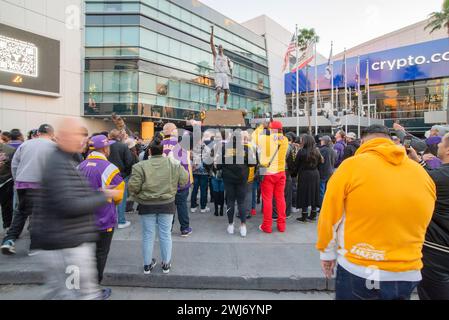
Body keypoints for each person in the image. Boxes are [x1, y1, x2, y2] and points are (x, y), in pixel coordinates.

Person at [317, 125, 436, 300]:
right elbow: (425, 216)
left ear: (363, 142)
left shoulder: (351, 167)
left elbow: (330, 215)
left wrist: (327, 253)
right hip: (407, 270)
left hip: (360, 266)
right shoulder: (421, 173)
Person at [32, 119, 118, 300]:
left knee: (65, 293)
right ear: (62, 137)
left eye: (83, 135)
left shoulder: (70, 161)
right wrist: (103, 196)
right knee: (76, 294)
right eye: (77, 135)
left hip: (66, 242)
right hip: (66, 246)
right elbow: (68, 205)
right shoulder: (59, 164)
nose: (82, 140)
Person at [128, 135, 189, 275]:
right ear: (163, 151)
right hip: (167, 204)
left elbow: (133, 187)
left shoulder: (139, 166)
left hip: (146, 205)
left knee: (148, 235)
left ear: (149, 151)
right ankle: (166, 264)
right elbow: (184, 180)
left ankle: (147, 265)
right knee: (165, 234)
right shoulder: (173, 163)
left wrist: (139, 197)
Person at [78, 135, 125, 289]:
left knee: (84, 254)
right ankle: (94, 288)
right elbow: (118, 196)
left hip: (82, 218)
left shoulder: (79, 166)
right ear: (105, 148)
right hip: (104, 218)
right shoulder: (110, 168)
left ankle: (82, 285)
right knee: (100, 253)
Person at [1, 124, 56, 255]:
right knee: (39, 215)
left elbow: (15, 164)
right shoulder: (53, 147)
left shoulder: (25, 145)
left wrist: (17, 180)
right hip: (42, 185)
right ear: (52, 134)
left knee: (21, 212)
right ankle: (35, 246)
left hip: (22, 183)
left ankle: (8, 240)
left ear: (38, 133)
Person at [408, 134, 449, 300]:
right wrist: (419, 162)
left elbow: (424, 180)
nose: (437, 145)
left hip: (437, 249)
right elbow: (432, 176)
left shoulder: (437, 178)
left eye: (441, 143)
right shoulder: (439, 176)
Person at [218, 131, 256, 237]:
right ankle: (243, 226)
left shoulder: (224, 148)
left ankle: (230, 225)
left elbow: (218, 165)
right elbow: (253, 163)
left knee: (230, 201)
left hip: (228, 178)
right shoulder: (246, 148)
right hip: (242, 178)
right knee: (241, 202)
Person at [254, 121, 289, 234]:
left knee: (267, 199)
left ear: (271, 128)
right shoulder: (285, 139)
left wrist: (261, 126)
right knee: (280, 198)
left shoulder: (265, 139)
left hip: (267, 172)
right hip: (281, 172)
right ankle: (281, 225)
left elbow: (253, 137)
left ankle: (267, 225)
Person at [162, 123, 194, 237]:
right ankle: (184, 229)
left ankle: (168, 228)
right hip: (181, 180)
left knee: (168, 206)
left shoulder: (161, 143)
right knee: (182, 205)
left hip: (166, 181)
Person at [108, 129, 136, 229]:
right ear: (119, 136)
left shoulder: (104, 145)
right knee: (121, 198)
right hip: (121, 175)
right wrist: (126, 174)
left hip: (105, 175)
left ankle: (110, 220)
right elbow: (129, 162)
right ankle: (120, 220)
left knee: (108, 198)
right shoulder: (123, 146)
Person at [295, 135, 322, 223]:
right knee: (314, 193)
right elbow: (320, 163)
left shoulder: (301, 152)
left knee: (304, 194)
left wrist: (294, 173)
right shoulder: (317, 151)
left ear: (305, 141)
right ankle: (313, 214)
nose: (301, 142)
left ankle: (304, 215)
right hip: (315, 173)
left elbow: (296, 164)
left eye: (302, 140)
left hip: (304, 174)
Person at [210, 25, 233, 110]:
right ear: (218, 48)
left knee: (226, 91)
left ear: (222, 48)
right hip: (218, 74)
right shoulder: (216, 55)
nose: (219, 48)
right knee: (219, 89)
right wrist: (212, 32)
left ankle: (225, 106)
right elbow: (211, 43)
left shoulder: (226, 57)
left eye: (221, 47)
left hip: (225, 75)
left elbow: (230, 66)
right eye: (218, 47)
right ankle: (217, 105)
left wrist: (231, 74)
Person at [191, 139, 210, 214]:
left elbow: (191, 158)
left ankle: (193, 206)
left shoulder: (193, 148)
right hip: (204, 172)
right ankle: (203, 207)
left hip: (195, 172)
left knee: (194, 189)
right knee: (203, 190)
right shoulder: (205, 148)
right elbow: (210, 153)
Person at [0, 141, 15, 231]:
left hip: (6, 181)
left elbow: (14, 165)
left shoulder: (10, 150)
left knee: (6, 205)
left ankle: (7, 226)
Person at [318, 136, 336, 210]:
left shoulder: (321, 150)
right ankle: (328, 205)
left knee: (321, 191)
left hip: (322, 172)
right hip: (331, 172)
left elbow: (319, 161)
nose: (320, 142)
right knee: (327, 191)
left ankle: (322, 207)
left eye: (321, 140)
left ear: (324, 141)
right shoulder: (332, 150)